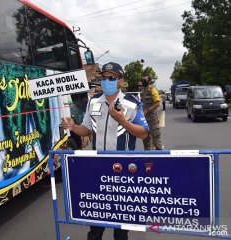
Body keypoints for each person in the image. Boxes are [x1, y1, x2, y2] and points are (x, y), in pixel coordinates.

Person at [61, 62, 149, 240]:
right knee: (95, 224)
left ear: (120, 81)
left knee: (121, 226)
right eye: (103, 77)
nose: (106, 81)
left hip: (123, 171)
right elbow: (86, 129)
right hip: (98, 169)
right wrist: (73, 127)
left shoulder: (131, 103)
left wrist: (122, 120)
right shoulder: (93, 101)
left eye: (111, 78)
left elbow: (144, 133)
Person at [140, 75, 163, 150]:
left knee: (156, 141)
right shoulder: (142, 92)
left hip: (152, 119)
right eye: (142, 80)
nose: (143, 82)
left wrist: (147, 111)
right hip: (144, 119)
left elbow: (157, 103)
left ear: (149, 81)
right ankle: (148, 159)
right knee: (146, 142)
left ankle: (161, 158)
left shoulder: (153, 90)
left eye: (145, 80)